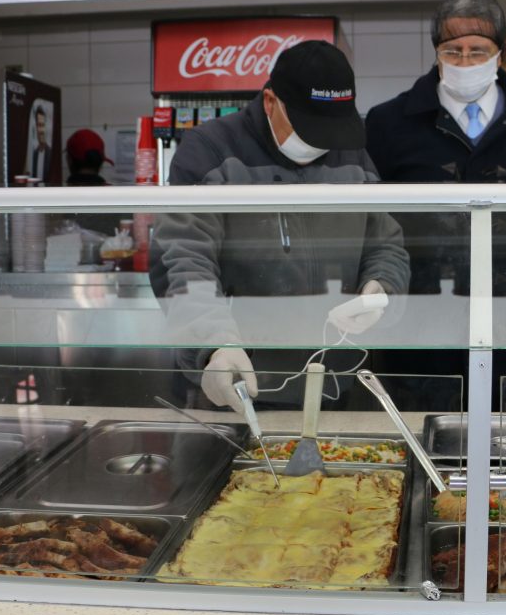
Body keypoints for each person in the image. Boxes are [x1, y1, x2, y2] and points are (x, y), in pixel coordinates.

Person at [149, 40, 410, 412]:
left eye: (330, 131)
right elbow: (183, 261)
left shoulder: (352, 154)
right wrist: (215, 344)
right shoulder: (209, 151)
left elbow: (386, 244)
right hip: (234, 383)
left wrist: (380, 288)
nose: (322, 144)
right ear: (271, 102)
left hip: (334, 384)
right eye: (310, 129)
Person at [365, 0, 506, 411]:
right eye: (452, 51)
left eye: (478, 51)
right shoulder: (388, 123)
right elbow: (375, 224)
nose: (465, 62)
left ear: (503, 52)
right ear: (435, 52)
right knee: (424, 441)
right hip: (419, 324)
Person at [29, 105, 52, 181]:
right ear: (35, 127)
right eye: (39, 125)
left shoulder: (51, 154)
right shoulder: (34, 154)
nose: (41, 130)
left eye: (43, 125)